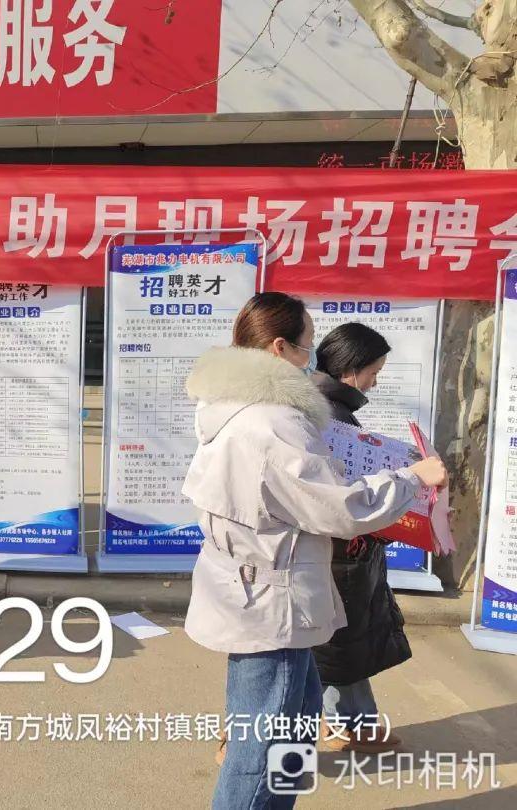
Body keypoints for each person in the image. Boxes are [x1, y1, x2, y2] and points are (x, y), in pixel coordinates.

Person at [181, 292, 447, 809]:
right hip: (272, 600)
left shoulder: (229, 405)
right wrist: (412, 478)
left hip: (258, 587)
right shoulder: (272, 423)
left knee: (298, 724)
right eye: (307, 345)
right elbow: (339, 508)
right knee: (262, 746)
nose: (312, 359)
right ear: (279, 348)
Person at [310, 323, 409, 752]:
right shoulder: (330, 417)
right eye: (373, 372)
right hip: (337, 550)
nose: (375, 382)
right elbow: (345, 496)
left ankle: (352, 722)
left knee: (340, 639)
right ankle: (342, 724)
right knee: (331, 642)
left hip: (342, 550)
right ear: (350, 370)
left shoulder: (327, 408)